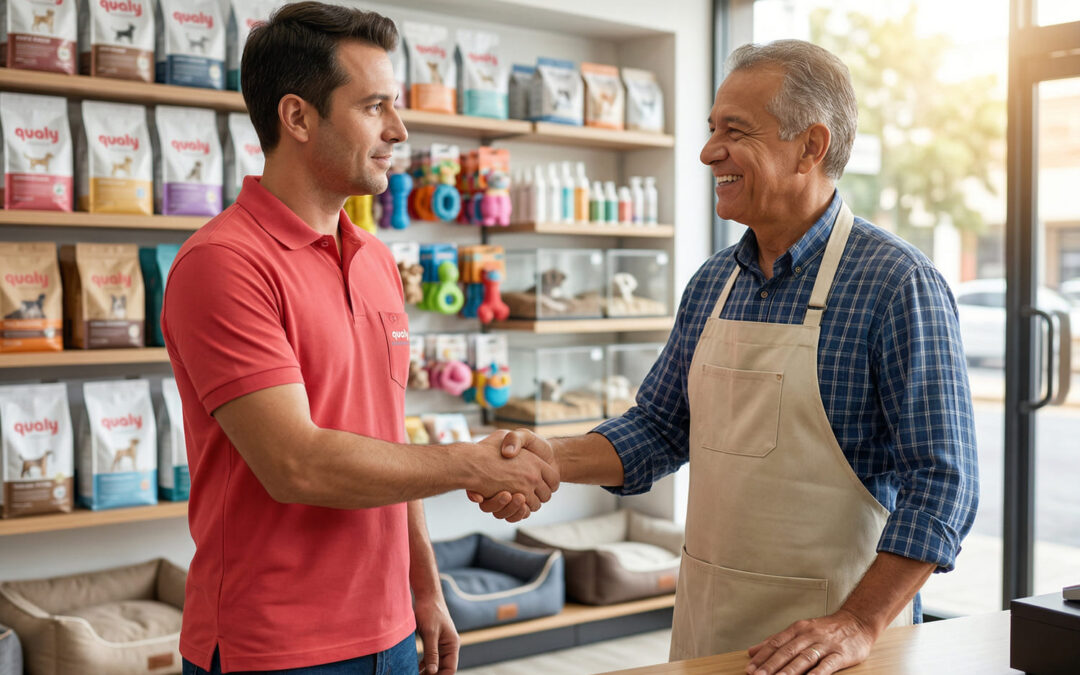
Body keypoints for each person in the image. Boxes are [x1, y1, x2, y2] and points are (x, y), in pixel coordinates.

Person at [473, 39, 978, 675]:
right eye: (713, 130)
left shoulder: (895, 283)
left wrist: (857, 623)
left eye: (734, 132)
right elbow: (659, 428)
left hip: (836, 651)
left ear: (810, 146)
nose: (709, 152)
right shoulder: (714, 281)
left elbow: (944, 485)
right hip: (708, 629)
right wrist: (549, 459)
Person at [162, 4, 557, 674]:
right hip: (276, 645)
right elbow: (297, 463)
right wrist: (474, 462)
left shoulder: (375, 259)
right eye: (375, 107)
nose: (398, 130)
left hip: (393, 630)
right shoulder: (223, 263)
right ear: (297, 116)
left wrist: (424, 585)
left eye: (395, 106)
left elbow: (386, 435)